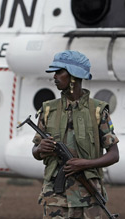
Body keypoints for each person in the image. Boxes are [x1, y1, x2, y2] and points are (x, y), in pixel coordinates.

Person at [32, 50, 119, 218]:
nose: (55, 77)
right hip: (55, 199)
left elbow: (114, 155)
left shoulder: (98, 111)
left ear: (73, 75)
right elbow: (36, 153)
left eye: (59, 72)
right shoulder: (48, 110)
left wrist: (84, 164)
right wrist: (40, 148)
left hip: (88, 196)